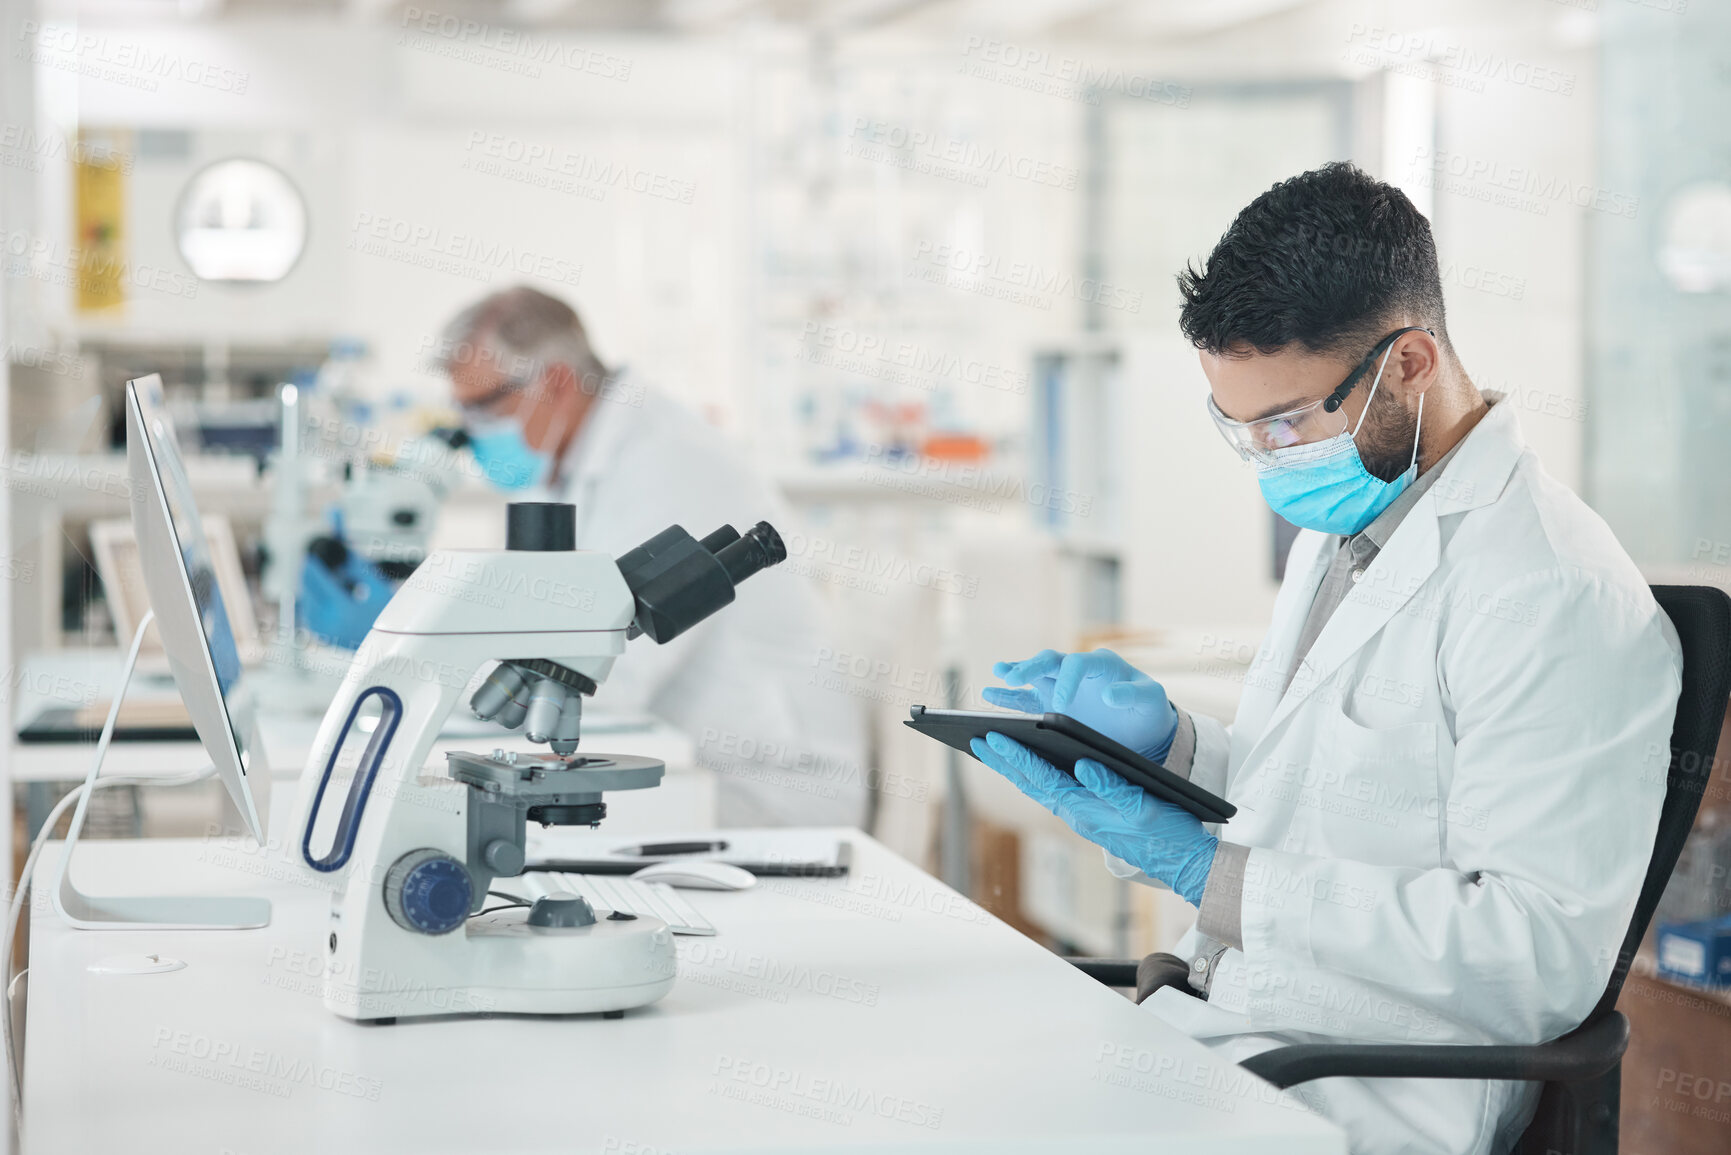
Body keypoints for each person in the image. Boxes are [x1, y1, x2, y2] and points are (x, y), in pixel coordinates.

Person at [972, 163, 1681, 1155]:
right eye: (1242, 425)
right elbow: (1328, 804)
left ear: (1412, 364)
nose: (1270, 455)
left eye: (1290, 419)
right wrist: (1170, 752)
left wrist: (1203, 869)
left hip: (1367, 1087)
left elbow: (1533, 960)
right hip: (1240, 1032)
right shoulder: (1353, 532)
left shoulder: (1552, 592)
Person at [437, 286, 866, 828]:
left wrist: (445, 667)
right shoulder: (575, 463)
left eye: (485, 407)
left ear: (556, 382)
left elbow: (602, 670)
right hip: (684, 758)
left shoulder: (666, 461)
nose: (472, 431)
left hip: (765, 788)